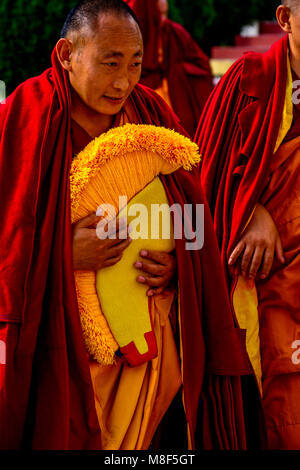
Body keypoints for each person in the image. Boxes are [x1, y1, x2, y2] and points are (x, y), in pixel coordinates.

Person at [0, 0, 252, 450]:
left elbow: (191, 213)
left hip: (149, 335)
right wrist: (65, 254)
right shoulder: (28, 115)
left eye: (134, 63)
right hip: (62, 342)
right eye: (109, 63)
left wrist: (179, 266)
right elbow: (7, 232)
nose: (123, 82)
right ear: (66, 54)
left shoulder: (150, 111)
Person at [196, 0, 300, 450]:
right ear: (285, 19)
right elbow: (207, 175)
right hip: (271, 276)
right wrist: (250, 209)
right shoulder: (250, 82)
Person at [127, 0, 213, 137]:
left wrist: (175, 71)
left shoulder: (175, 32)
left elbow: (202, 65)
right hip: (143, 92)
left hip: (171, 93)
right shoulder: (133, 31)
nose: (164, 2)